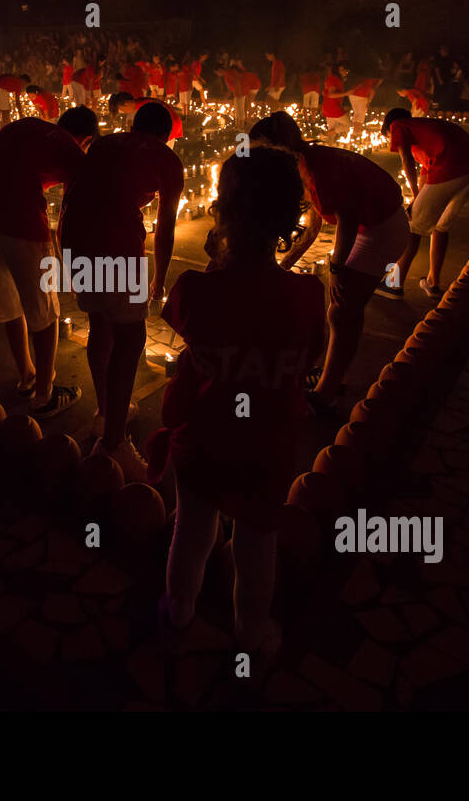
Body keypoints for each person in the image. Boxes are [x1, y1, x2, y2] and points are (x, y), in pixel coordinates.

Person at [158, 145, 324, 658]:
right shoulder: (307, 296)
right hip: (266, 447)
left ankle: (178, 609)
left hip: (202, 439)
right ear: (289, 218)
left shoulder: (195, 290)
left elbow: (193, 322)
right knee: (256, 546)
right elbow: (311, 360)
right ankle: (251, 635)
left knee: (192, 528)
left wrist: (218, 265)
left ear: (222, 213)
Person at [252, 112, 408, 414]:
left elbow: (346, 217)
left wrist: (337, 268)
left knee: (342, 310)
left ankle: (326, 395)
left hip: (380, 228)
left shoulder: (313, 167)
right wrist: (286, 263)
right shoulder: (307, 160)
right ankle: (331, 376)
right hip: (376, 223)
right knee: (344, 309)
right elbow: (315, 219)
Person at [59, 102, 184, 480]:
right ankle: (113, 444)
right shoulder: (165, 158)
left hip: (72, 238)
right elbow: (164, 229)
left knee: (101, 323)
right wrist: (159, 281)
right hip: (114, 244)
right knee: (131, 337)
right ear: (166, 136)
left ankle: (104, 414)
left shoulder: (104, 144)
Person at [0, 107, 100, 419]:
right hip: (22, 224)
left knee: (9, 302)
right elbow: (76, 209)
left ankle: (27, 377)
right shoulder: (72, 151)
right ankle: (44, 397)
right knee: (44, 312)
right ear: (85, 139)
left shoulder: (25, 126)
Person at [381, 107, 469, 300]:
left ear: (389, 128)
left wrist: (414, 199)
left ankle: (393, 284)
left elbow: (406, 160)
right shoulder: (426, 136)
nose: (392, 142)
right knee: (440, 226)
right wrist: (417, 197)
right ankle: (433, 283)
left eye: (389, 138)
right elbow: (425, 175)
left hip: (450, 166)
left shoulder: (398, 125)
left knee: (412, 226)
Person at [321, 62, 350, 137]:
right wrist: (346, 93)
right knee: (348, 125)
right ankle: (325, 135)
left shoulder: (332, 79)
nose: (345, 72)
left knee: (332, 130)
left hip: (328, 107)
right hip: (333, 107)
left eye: (346, 70)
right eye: (342, 70)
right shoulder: (334, 79)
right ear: (336, 71)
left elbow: (325, 92)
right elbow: (331, 94)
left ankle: (326, 141)